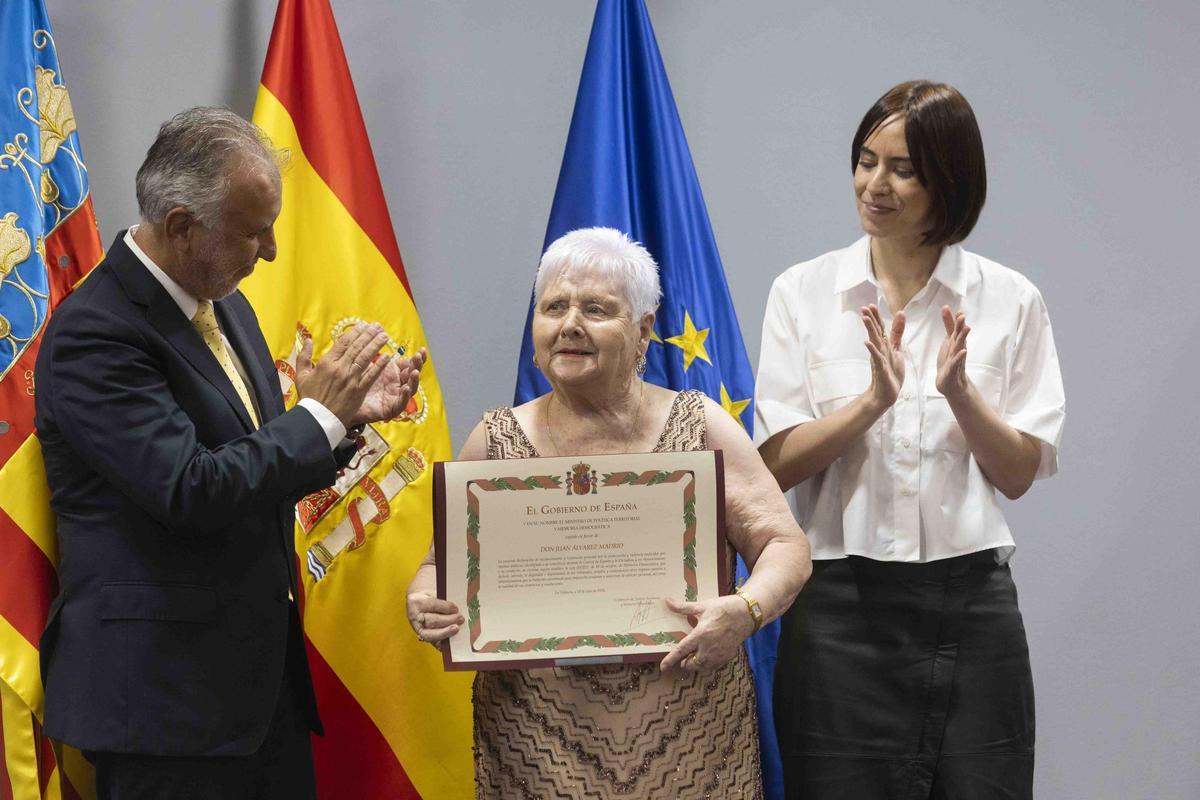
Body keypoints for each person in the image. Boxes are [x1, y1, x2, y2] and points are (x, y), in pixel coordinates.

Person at [34, 107, 425, 800]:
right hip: (164, 709)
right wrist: (315, 415)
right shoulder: (95, 334)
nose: (271, 250)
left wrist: (341, 424)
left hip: (255, 694)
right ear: (182, 227)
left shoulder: (226, 303)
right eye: (253, 230)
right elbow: (192, 489)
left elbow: (251, 464)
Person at [406, 227, 811, 799]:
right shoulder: (494, 441)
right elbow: (436, 567)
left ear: (643, 328)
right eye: (554, 307)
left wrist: (746, 611)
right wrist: (425, 602)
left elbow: (785, 546)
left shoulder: (701, 429)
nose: (569, 324)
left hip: (691, 743)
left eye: (595, 309)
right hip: (538, 743)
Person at [754, 81, 1066, 799]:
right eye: (865, 161)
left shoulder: (1009, 299)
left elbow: (1017, 473)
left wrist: (961, 395)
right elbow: (774, 464)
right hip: (838, 608)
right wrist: (871, 404)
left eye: (902, 169)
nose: (875, 184)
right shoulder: (801, 292)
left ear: (949, 181)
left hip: (972, 607)